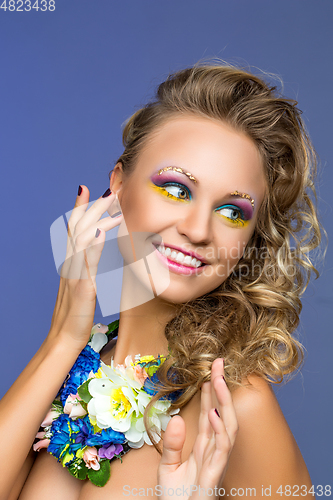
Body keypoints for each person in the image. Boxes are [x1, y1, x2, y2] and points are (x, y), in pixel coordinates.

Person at [0, 62, 324, 499]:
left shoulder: (235, 407)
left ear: (248, 242)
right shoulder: (70, 372)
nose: (198, 229)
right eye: (176, 189)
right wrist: (62, 340)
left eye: (233, 212)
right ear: (118, 187)